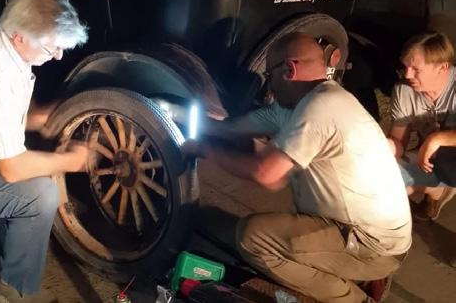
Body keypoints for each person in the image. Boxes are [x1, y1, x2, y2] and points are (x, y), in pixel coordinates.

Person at [183, 32, 411, 303]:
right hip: (367, 231)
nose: (269, 86)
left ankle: (354, 298)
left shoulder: (320, 108)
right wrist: (188, 118)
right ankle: (352, 272)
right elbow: (234, 128)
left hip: (372, 243)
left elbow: (266, 173)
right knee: (283, 224)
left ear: (289, 70)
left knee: (254, 238)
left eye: (270, 76)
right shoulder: (308, 102)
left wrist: (206, 150)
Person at [0, 0, 90, 303]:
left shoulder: (4, 39)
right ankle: (13, 290)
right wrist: (72, 160)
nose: (58, 55)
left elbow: (5, 111)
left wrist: (41, 118)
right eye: (52, 47)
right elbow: (11, 168)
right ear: (21, 36)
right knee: (38, 195)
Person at [388, 31, 456, 221]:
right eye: (406, 67)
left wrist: (438, 138)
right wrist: (383, 148)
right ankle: (437, 191)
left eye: (416, 69)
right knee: (387, 181)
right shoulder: (404, 91)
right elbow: (398, 142)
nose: (407, 74)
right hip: (429, 160)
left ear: (442, 67)